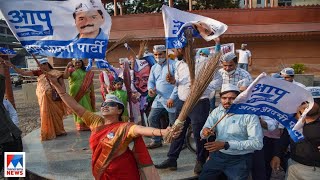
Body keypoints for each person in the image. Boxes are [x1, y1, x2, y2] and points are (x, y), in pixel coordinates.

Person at [47, 73, 182, 180]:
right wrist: (58, 88)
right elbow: (75, 107)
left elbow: (141, 129)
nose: (105, 106)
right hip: (102, 171)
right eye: (104, 104)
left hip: (124, 173)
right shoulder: (96, 121)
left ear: (119, 110)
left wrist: (163, 131)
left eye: (111, 104)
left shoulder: (125, 127)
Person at [156, 38, 221, 175]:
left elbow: (218, 80)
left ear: (181, 49)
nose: (173, 52)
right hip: (182, 101)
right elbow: (180, 83)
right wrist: (174, 81)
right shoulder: (179, 64)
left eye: (175, 49)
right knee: (177, 131)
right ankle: (172, 159)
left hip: (199, 103)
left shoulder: (204, 61)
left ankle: (200, 161)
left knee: (199, 134)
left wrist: (202, 87)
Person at [199, 84, 263, 180]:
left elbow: (257, 143)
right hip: (218, 156)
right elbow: (204, 131)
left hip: (240, 159)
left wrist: (226, 145)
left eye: (232, 98)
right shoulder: (217, 111)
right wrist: (205, 132)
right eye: (224, 98)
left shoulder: (249, 115)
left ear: (238, 98)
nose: (227, 101)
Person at [5, 58, 66, 141]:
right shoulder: (38, 73)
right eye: (39, 65)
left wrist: (63, 94)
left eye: (41, 65)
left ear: (46, 64)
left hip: (54, 97)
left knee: (57, 114)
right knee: (46, 114)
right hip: (43, 99)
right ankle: (49, 132)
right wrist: (12, 66)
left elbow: (62, 85)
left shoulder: (57, 73)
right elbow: (23, 73)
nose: (40, 67)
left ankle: (59, 131)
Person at [270, 86, 320, 180]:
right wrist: (277, 155)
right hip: (292, 166)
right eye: (304, 102)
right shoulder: (293, 121)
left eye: (312, 101)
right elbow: (284, 138)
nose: (307, 105)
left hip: (314, 171)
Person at [146, 45, 177, 149]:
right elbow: (151, 81)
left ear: (165, 54)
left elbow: (179, 84)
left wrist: (172, 98)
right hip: (159, 98)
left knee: (174, 123)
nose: (158, 56)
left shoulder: (173, 65)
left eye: (160, 54)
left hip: (171, 99)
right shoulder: (154, 67)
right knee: (152, 118)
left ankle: (177, 142)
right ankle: (156, 140)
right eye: (155, 55)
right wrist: (150, 89)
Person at [0, 58, 23, 180]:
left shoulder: (3, 101)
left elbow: (1, 80)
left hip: (13, 139)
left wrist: (2, 66)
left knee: (14, 174)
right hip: (4, 141)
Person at [64, 59, 95, 131]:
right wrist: (67, 67)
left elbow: (90, 80)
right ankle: (80, 125)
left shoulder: (85, 70)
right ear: (73, 63)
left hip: (85, 91)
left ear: (82, 63)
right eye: (76, 62)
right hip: (75, 91)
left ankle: (88, 123)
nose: (78, 64)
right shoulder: (71, 69)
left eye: (79, 62)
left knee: (86, 106)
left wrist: (89, 88)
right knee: (77, 107)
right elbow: (65, 77)